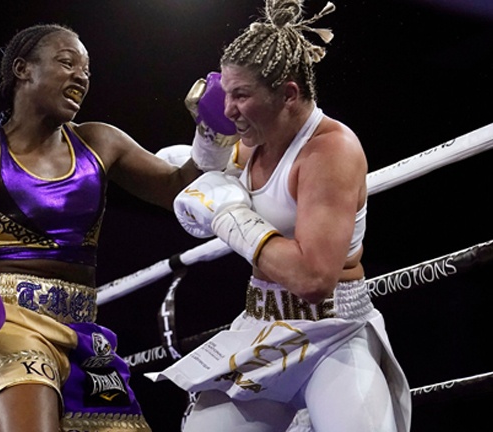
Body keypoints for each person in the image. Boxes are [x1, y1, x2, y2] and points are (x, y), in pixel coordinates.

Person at [0, 23, 238, 432]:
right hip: (5, 324)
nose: (81, 77)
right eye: (67, 63)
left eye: (86, 70)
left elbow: (176, 189)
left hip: (83, 331)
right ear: (22, 69)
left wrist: (211, 134)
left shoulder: (100, 143)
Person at [147, 1, 412, 431]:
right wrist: (208, 135)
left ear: (288, 94)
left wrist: (229, 215)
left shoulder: (330, 152)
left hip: (334, 331)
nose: (228, 108)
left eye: (241, 95)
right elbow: (199, 177)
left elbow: (312, 279)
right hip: (262, 323)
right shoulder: (255, 136)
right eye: (225, 92)